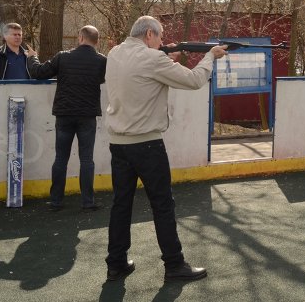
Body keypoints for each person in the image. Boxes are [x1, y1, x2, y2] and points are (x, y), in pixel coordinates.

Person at [104, 16, 227, 282]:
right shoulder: (153, 60)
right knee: (162, 205)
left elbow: (141, 64)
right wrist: (210, 57)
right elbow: (195, 80)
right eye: (159, 37)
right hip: (146, 144)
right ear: (150, 34)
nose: (161, 41)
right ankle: (174, 264)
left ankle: (116, 263)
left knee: (121, 205)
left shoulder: (114, 54)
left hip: (118, 144)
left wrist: (164, 51)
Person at [26, 25, 107, 212]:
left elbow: (38, 73)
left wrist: (32, 57)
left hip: (65, 114)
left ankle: (56, 201)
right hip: (87, 115)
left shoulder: (63, 57)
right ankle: (88, 201)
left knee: (60, 158)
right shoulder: (102, 61)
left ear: (80, 37)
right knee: (87, 159)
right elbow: (103, 78)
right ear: (96, 41)